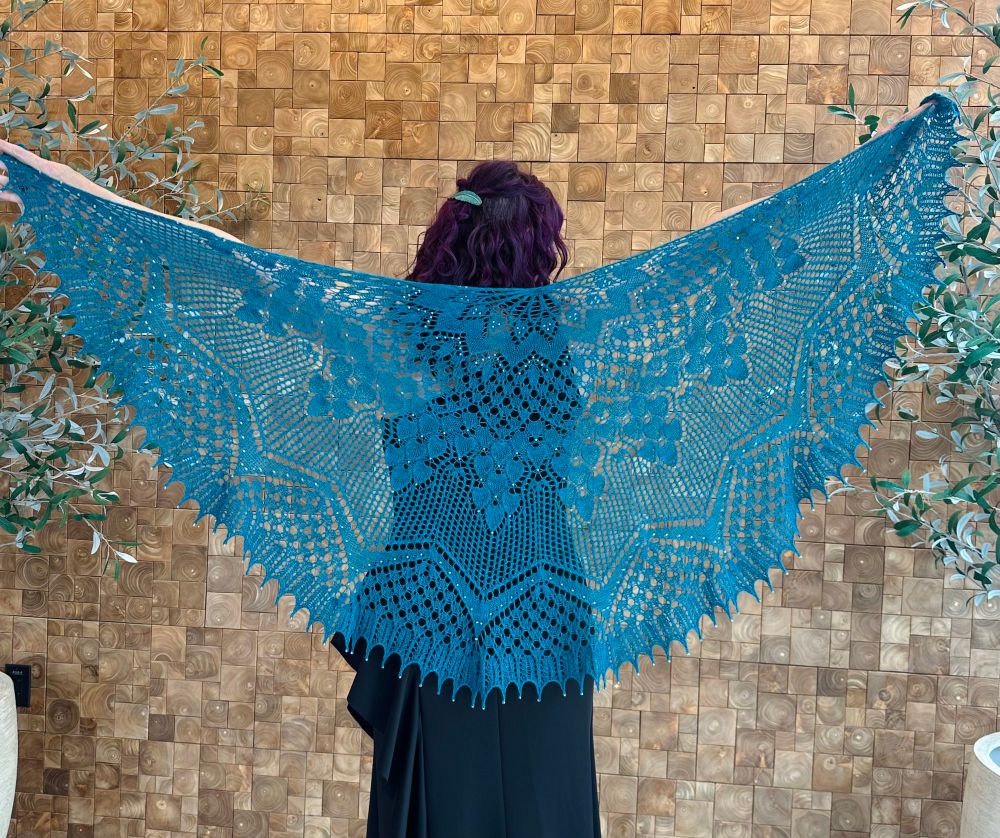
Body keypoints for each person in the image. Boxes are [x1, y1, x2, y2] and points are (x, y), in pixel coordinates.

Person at [331, 160, 603, 838]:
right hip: (541, 606)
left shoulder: (401, 338)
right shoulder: (562, 341)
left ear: (450, 231)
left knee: (444, 803)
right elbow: (719, 251)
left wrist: (66, 188)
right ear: (536, 244)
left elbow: (236, 264)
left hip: (430, 601)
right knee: (544, 804)